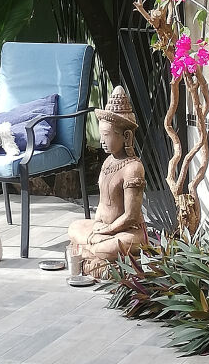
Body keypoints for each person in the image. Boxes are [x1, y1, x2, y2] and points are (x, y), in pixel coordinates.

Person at [67, 86, 147, 278]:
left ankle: (88, 253)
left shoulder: (133, 168)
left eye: (106, 135)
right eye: (101, 135)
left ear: (126, 136)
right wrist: (97, 228)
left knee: (105, 249)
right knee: (74, 227)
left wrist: (107, 231)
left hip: (128, 232)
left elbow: (131, 216)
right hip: (102, 228)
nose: (101, 141)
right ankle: (91, 252)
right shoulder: (109, 161)